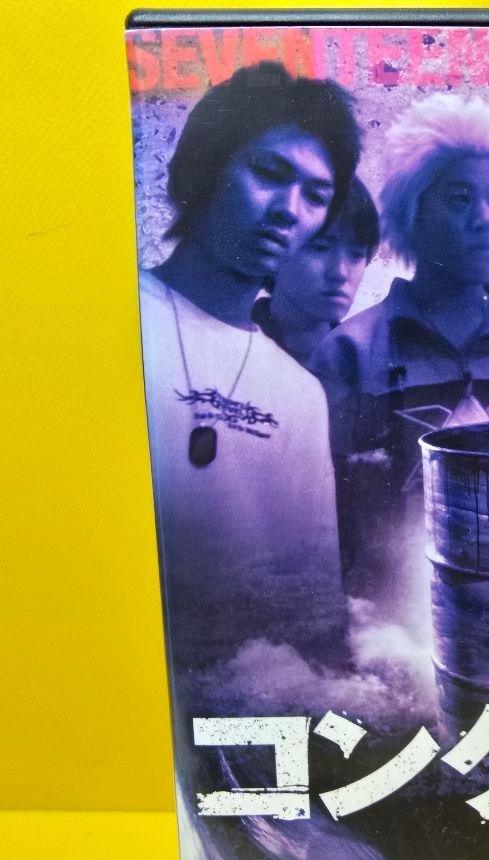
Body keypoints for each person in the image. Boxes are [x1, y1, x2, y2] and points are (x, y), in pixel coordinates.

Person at [309, 94, 489, 620]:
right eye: (460, 198)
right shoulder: (348, 354)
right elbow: (323, 527)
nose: (486, 219)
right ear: (412, 212)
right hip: (396, 630)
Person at [138, 61, 360, 667]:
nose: (290, 209)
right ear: (206, 166)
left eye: (317, 196)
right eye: (268, 173)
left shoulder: (299, 393)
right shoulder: (117, 317)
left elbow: (312, 605)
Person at [253, 176, 380, 368]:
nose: (340, 273)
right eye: (321, 248)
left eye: (356, 254)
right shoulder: (227, 339)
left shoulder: (360, 365)